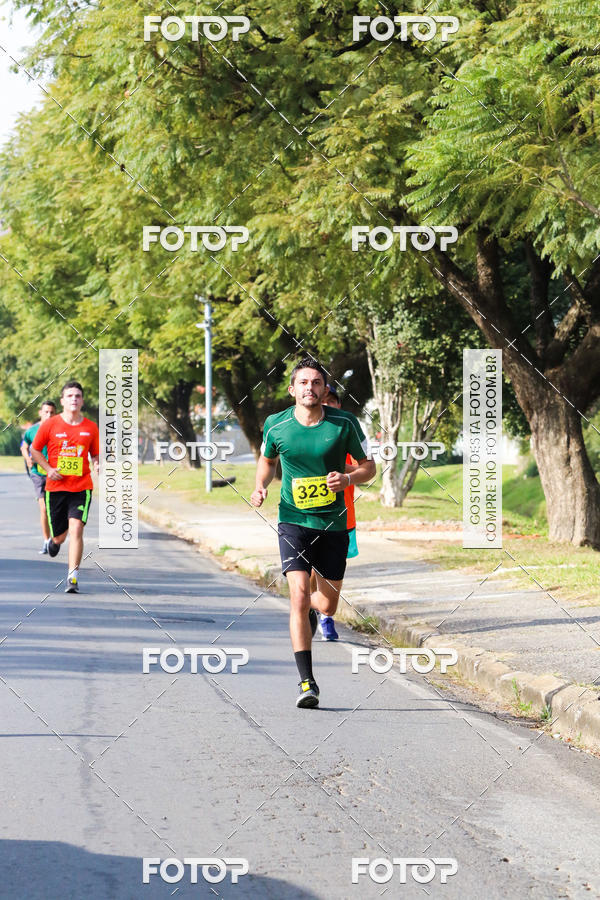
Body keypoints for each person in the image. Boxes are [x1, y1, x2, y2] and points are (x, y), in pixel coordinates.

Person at [250, 357, 375, 709]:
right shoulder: (276, 426)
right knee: (299, 594)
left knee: (327, 604)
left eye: (316, 382)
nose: (310, 388)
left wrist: (348, 478)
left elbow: (370, 467)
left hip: (334, 524)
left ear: (325, 389)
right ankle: (307, 682)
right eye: (303, 382)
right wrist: (261, 486)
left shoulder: (344, 423)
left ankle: (314, 611)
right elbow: (267, 461)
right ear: (293, 390)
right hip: (293, 521)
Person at [30, 381, 100, 593]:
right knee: (61, 536)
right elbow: (35, 450)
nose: (74, 399)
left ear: (82, 401)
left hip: (81, 487)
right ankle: (54, 540)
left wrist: (97, 462)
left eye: (78, 396)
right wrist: (49, 469)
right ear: (62, 401)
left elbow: (96, 453)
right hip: (56, 488)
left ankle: (73, 578)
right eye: (70, 396)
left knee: (77, 528)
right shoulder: (50, 425)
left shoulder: (90, 427)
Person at [310, 384, 361, 641]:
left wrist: (340, 468)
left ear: (339, 406)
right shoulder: (306, 434)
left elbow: (363, 470)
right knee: (310, 570)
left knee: (332, 570)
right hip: (310, 518)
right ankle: (315, 610)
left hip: (343, 518)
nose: (327, 407)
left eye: (332, 403)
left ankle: (324, 613)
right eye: (324, 402)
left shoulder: (346, 434)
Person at [20, 400, 57, 553]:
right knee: (43, 508)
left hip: (55, 473)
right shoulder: (32, 430)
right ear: (40, 413)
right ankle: (46, 541)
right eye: (46, 411)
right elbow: (24, 446)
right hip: (38, 473)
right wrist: (28, 458)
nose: (48, 415)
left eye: (52, 412)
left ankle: (55, 538)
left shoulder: (59, 430)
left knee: (54, 509)